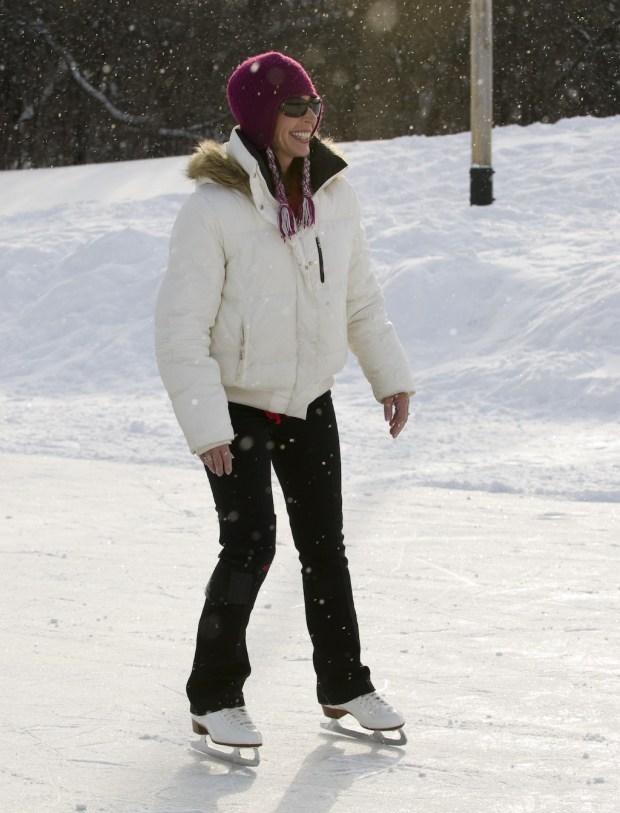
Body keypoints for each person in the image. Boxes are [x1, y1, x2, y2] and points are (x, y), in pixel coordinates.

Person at [155, 51, 415, 755]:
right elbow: (180, 328)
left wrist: (389, 375)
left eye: (314, 106)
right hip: (237, 407)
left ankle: (344, 682)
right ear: (261, 116)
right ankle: (214, 695)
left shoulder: (331, 194)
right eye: (295, 108)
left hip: (309, 399)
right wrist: (206, 423)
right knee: (251, 544)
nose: (310, 120)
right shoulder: (213, 209)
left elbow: (359, 295)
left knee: (325, 545)